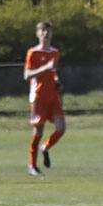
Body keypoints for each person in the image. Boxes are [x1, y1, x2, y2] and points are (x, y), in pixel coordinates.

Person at [24, 20, 65, 177]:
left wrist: (56, 81)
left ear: (52, 33)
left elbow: (53, 73)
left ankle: (45, 148)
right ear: (37, 34)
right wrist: (44, 68)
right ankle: (32, 165)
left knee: (61, 128)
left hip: (53, 97)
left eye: (48, 31)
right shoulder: (33, 53)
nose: (45, 33)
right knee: (38, 131)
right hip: (38, 97)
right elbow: (27, 75)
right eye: (42, 31)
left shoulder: (55, 53)